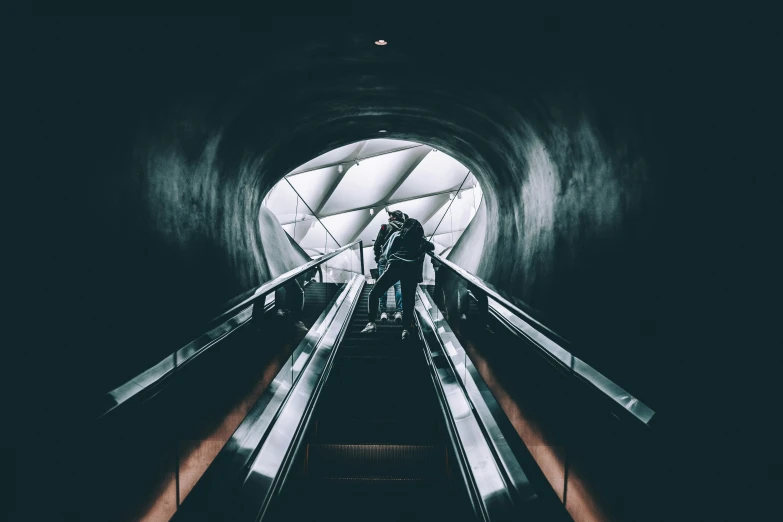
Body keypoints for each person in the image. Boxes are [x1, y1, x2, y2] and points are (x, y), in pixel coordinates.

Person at [362, 217, 435, 340]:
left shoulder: (397, 235)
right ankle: (405, 329)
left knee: (374, 293)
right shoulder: (421, 240)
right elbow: (431, 247)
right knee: (408, 300)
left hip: (395, 267)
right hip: (411, 271)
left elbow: (388, 252)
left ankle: (371, 323)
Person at [373, 210, 405, 323]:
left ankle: (383, 312)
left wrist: (377, 257)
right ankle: (398, 312)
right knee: (398, 286)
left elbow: (377, 244)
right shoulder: (405, 228)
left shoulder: (384, 227)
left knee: (382, 285)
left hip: (385, 259)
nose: (389, 217)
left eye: (391, 215)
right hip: (398, 259)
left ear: (395, 217)